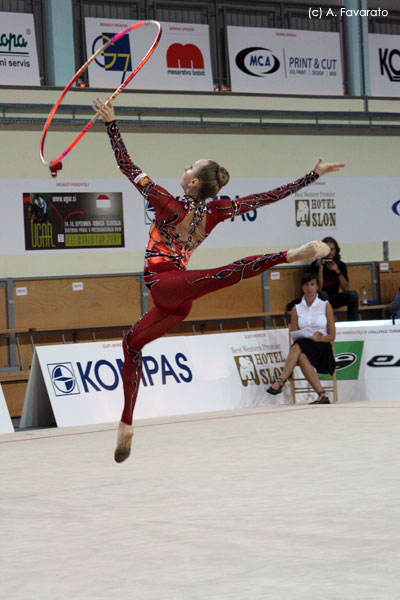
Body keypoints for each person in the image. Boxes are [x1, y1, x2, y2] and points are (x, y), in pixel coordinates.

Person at [93, 97, 345, 462]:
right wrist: (311, 176)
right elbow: (266, 197)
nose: (184, 166)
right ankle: (126, 425)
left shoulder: (167, 203)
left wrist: (111, 123)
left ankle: (286, 256)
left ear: (193, 180)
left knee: (218, 275)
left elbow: (127, 166)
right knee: (130, 344)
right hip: (177, 301)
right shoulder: (217, 210)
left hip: (167, 286)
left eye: (189, 165)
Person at [267, 272, 336, 404]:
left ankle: (281, 380)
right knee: (301, 353)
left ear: (317, 287)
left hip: (322, 346)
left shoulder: (325, 305)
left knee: (299, 348)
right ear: (302, 288)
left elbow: (332, 335)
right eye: (306, 285)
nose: (309, 288)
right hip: (304, 345)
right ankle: (322, 395)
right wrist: (309, 336)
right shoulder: (296, 309)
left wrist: (319, 339)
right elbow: (294, 334)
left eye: (312, 284)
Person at [309, 236, 359, 321]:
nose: (330, 252)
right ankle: (328, 325)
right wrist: (320, 269)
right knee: (323, 294)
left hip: (334, 297)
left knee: (353, 295)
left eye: (332, 249)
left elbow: (346, 288)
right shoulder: (315, 265)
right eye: (327, 249)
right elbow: (319, 290)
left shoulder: (340, 265)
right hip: (319, 298)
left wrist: (337, 271)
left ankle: (353, 324)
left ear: (336, 251)